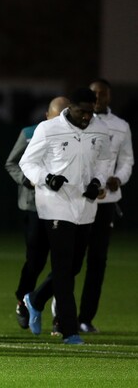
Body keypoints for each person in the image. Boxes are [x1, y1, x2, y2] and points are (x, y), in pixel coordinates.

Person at [19, 88, 111, 345]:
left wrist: (98, 181)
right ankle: (69, 329)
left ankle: (35, 299)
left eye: (91, 112)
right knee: (62, 267)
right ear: (70, 107)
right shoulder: (48, 129)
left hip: (85, 207)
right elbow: (27, 162)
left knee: (74, 267)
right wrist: (47, 178)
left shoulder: (100, 129)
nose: (87, 117)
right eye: (82, 112)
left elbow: (104, 161)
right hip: (55, 205)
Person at [6, 96, 68, 329]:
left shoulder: (75, 135)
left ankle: (59, 311)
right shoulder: (30, 133)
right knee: (35, 260)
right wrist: (27, 180)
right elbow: (12, 163)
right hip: (33, 206)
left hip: (62, 206)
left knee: (64, 261)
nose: (61, 121)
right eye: (57, 116)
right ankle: (23, 300)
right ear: (47, 116)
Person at [76, 79, 132, 333]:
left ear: (109, 97)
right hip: (79, 199)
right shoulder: (79, 121)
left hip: (106, 201)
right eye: (94, 94)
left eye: (103, 94)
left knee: (97, 261)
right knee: (70, 259)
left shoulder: (120, 126)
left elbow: (127, 160)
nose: (98, 98)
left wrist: (118, 178)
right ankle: (60, 314)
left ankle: (85, 318)